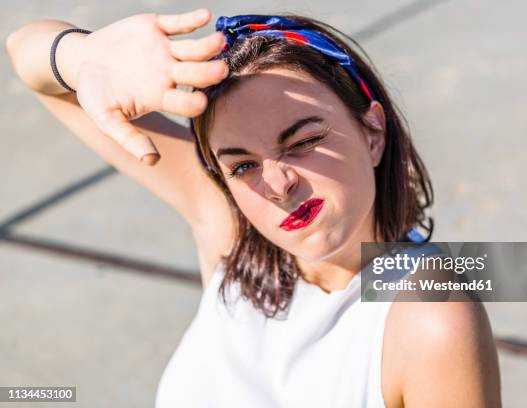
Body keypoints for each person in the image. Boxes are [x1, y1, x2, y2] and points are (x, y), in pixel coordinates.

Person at [6, 8, 501, 407]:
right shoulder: (231, 226)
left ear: (373, 132)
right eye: (241, 166)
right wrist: (85, 55)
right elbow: (25, 49)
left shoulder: (432, 316)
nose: (278, 183)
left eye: (303, 140)